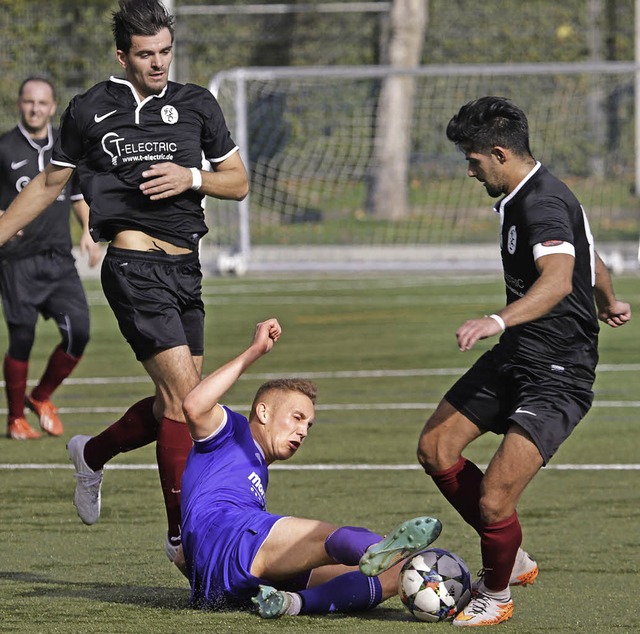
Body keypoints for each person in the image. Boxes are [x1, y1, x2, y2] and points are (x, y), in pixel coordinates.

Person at [0, 0, 248, 564]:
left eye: (165, 51)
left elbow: (238, 182)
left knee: (176, 406)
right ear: (122, 56)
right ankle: (181, 538)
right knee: (189, 405)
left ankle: (93, 454)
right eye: (145, 54)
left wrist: (191, 176)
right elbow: (47, 184)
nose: (158, 63)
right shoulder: (90, 109)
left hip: (188, 267)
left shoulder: (196, 104)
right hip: (135, 267)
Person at [416, 96, 632, 627]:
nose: (469, 170)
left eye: (472, 160)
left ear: (498, 153)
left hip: (558, 374)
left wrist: (497, 319)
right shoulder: (523, 195)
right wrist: (609, 299)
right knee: (436, 448)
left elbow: (558, 279)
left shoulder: (543, 203)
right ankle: (511, 557)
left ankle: (496, 593)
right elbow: (589, 258)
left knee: (493, 499)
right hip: (517, 356)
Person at [180, 317, 442, 617]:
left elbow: (185, 549)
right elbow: (194, 405)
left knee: (389, 578)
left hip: (225, 581)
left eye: (308, 425)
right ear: (263, 412)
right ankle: (388, 549)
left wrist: (186, 549)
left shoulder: (256, 471)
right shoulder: (232, 431)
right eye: (296, 417)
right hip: (236, 535)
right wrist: (255, 351)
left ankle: (293, 603)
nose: (303, 431)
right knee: (332, 537)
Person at [0, 77, 101, 440]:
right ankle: (15, 419)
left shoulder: (65, 144)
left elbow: (76, 196)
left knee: (79, 332)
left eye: (42, 103)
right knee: (22, 339)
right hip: (17, 261)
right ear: (19, 103)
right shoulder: (4, 147)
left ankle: (41, 397)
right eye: (29, 102)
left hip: (59, 260)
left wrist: (89, 230)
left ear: (53, 106)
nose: (35, 108)